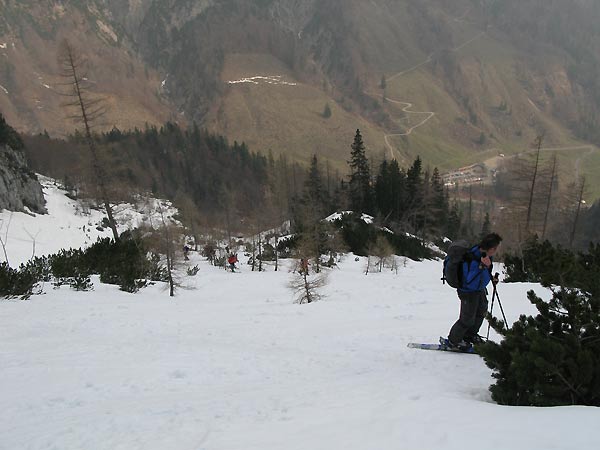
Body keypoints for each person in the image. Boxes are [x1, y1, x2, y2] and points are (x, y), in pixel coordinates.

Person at [445, 233, 502, 351]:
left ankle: (469, 336)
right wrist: (481, 267)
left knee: (481, 312)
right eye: (496, 248)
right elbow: (469, 280)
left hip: (479, 289)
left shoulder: (485, 256)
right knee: (467, 318)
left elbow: (483, 274)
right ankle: (453, 341)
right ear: (491, 248)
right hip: (468, 292)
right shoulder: (471, 258)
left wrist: (491, 277)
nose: (496, 251)